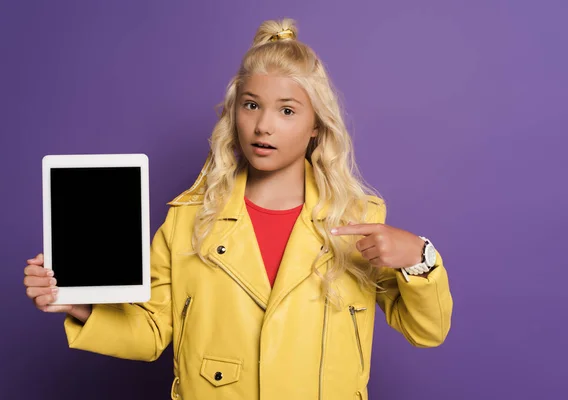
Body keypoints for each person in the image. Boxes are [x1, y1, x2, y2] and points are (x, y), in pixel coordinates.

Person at [23, 18, 452, 400]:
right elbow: (151, 332)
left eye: (287, 110)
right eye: (251, 105)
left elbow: (426, 331)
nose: (264, 125)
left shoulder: (358, 218)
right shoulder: (188, 219)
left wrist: (419, 258)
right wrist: (75, 303)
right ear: (234, 114)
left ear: (316, 126)